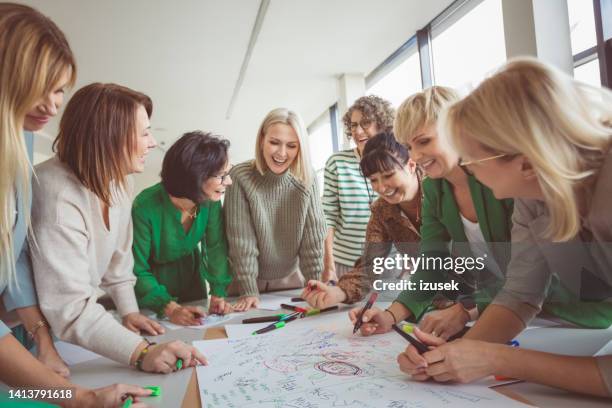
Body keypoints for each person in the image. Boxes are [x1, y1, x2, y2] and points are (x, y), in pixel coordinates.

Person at [398, 58, 612, 397]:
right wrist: (454, 355)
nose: (466, 169)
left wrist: (498, 359)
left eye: (470, 160)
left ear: (525, 162)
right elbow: (520, 294)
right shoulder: (534, 195)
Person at [0, 3, 153, 406]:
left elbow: (12, 263)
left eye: (60, 91)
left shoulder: (18, 143)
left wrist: (41, 339)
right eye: (44, 86)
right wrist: (78, 397)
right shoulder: (52, 186)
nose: (53, 106)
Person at [31, 82, 207, 374]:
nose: (152, 143)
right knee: (33, 398)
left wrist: (130, 311)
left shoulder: (120, 181)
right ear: (110, 138)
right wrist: (141, 353)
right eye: (144, 133)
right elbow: (70, 309)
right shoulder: (56, 193)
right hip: (36, 332)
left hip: (71, 326)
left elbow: (119, 261)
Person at [303, 132, 422, 311]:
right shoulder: (381, 210)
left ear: (411, 165)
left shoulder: (439, 189)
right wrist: (338, 292)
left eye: (389, 175)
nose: (381, 188)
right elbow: (370, 265)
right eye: (374, 180)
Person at [224, 108, 326, 311]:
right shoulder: (240, 177)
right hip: (244, 282)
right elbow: (241, 242)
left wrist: (316, 285)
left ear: (300, 149)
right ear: (262, 139)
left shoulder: (307, 178)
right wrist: (249, 290)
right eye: (274, 143)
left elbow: (312, 240)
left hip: (290, 278)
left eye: (291, 146)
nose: (281, 153)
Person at [133, 131, 233, 326]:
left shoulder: (208, 201)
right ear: (196, 177)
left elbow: (216, 247)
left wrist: (218, 294)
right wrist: (169, 308)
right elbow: (136, 269)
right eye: (222, 176)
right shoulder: (144, 207)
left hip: (192, 281)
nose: (229, 181)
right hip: (151, 290)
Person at [322, 96, 394, 281]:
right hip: (345, 264)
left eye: (365, 123)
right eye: (353, 125)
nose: (358, 131)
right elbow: (328, 218)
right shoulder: (337, 163)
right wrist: (328, 265)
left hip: (389, 262)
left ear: (382, 124)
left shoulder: (396, 160)